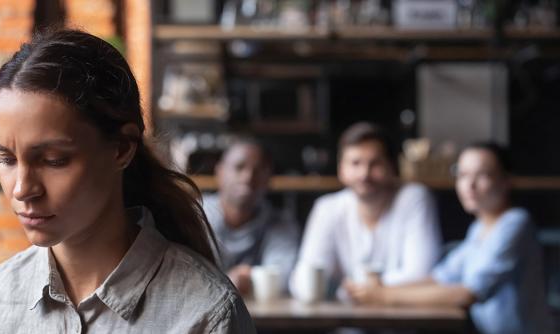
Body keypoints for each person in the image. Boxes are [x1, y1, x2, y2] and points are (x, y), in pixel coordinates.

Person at [0, 30, 255, 334]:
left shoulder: (206, 313)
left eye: (53, 160)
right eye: (7, 159)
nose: (22, 189)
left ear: (122, 148)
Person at [347, 142, 552, 334]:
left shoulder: (515, 224)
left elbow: (467, 294)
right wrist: (376, 288)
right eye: (462, 175)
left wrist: (384, 296)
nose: (469, 185)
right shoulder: (479, 228)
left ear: (506, 181)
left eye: (483, 175)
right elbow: (440, 277)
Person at [290, 122, 442, 300]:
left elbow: (422, 273)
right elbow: (305, 276)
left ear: (392, 167)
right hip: (346, 323)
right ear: (341, 169)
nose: (364, 174)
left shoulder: (414, 198)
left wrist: (357, 288)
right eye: (355, 163)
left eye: (375, 164)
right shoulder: (327, 208)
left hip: (406, 322)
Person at [203, 137, 299, 295]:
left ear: (269, 179)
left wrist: (249, 278)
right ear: (219, 172)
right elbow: (185, 277)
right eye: (239, 167)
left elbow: (284, 277)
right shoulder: (194, 216)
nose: (248, 177)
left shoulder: (281, 223)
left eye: (259, 170)